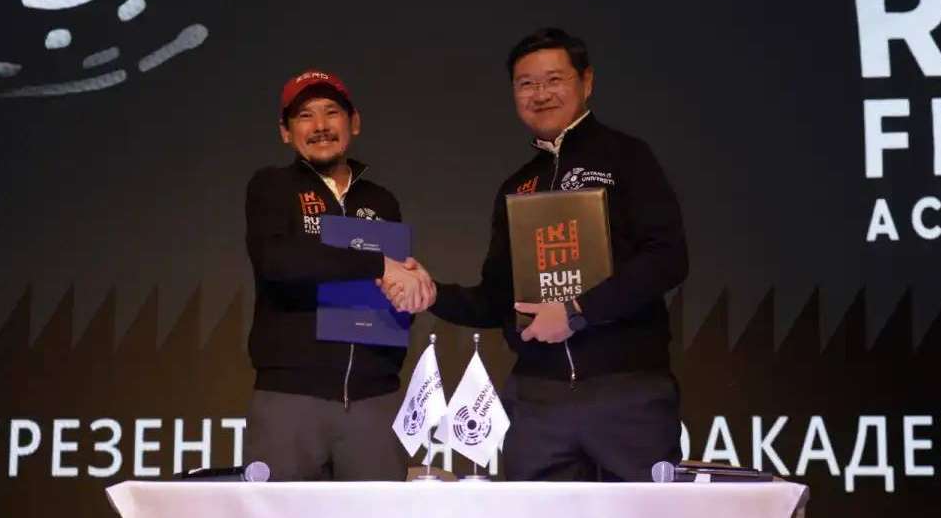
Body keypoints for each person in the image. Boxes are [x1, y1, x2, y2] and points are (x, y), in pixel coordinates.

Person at [390, 28, 689, 481]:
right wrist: (433, 295)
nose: (540, 93)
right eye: (526, 83)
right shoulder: (517, 187)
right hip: (539, 400)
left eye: (554, 79)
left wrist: (576, 310)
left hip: (628, 394)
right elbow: (496, 299)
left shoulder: (626, 157)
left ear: (586, 82)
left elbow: (668, 257)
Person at [243, 69, 435, 481]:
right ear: (285, 132)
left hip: (375, 399)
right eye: (305, 116)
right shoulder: (272, 186)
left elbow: (391, 288)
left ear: (354, 122)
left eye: (331, 112)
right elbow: (280, 262)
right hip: (291, 398)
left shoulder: (381, 200)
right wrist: (378, 265)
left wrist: (413, 291)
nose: (320, 126)